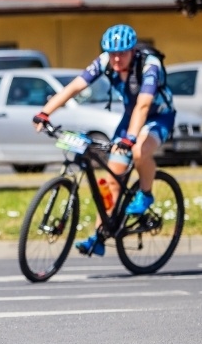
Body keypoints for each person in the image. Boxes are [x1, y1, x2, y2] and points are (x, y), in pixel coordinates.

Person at [33, 24, 175, 256]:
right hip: (131, 118)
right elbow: (75, 86)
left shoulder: (150, 65)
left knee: (139, 151)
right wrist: (45, 112)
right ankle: (100, 234)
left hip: (159, 117)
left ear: (133, 51)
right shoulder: (106, 61)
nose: (117, 59)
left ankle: (146, 194)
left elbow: (144, 104)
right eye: (112, 53)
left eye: (123, 53)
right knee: (112, 181)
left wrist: (130, 138)